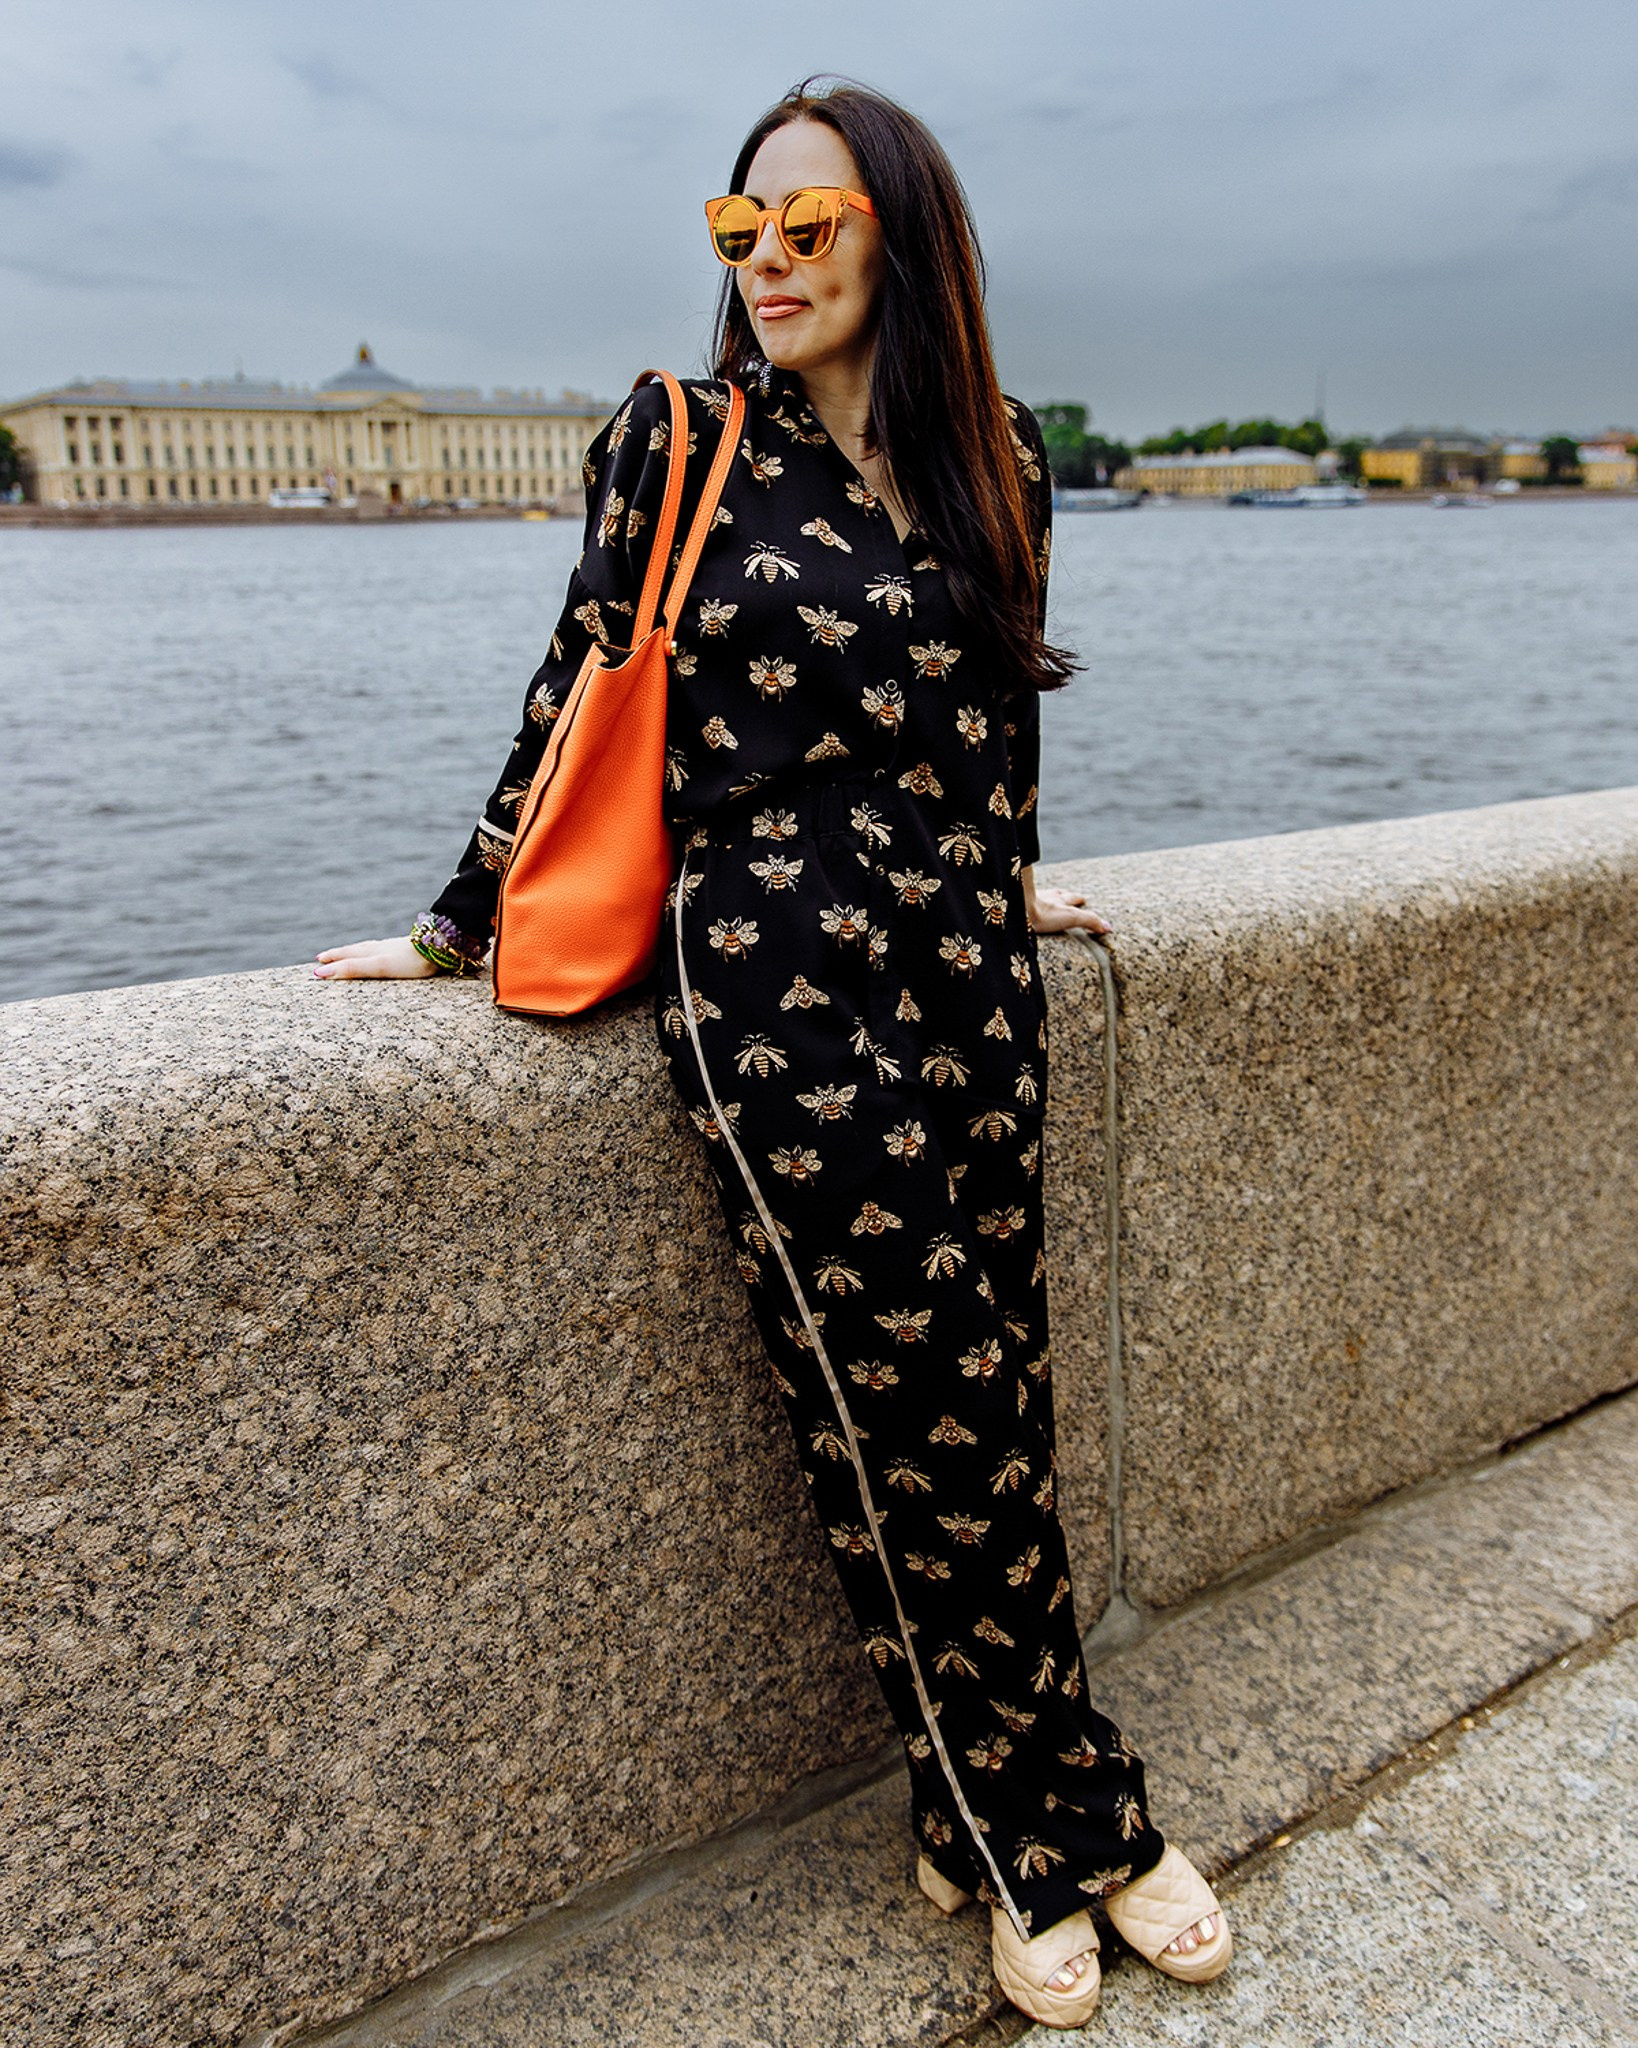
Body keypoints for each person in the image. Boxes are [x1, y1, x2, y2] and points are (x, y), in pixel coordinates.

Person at [315, 77, 1230, 2033]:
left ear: (907, 233)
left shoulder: (1002, 456)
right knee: (912, 1413)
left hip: (966, 967)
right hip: (776, 981)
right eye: (743, 231)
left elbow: (998, 722)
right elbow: (579, 682)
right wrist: (456, 925)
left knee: (997, 1394)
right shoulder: (681, 436)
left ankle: (983, 1811)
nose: (770, 262)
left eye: (811, 227)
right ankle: (1054, 1830)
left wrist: (1016, 876)